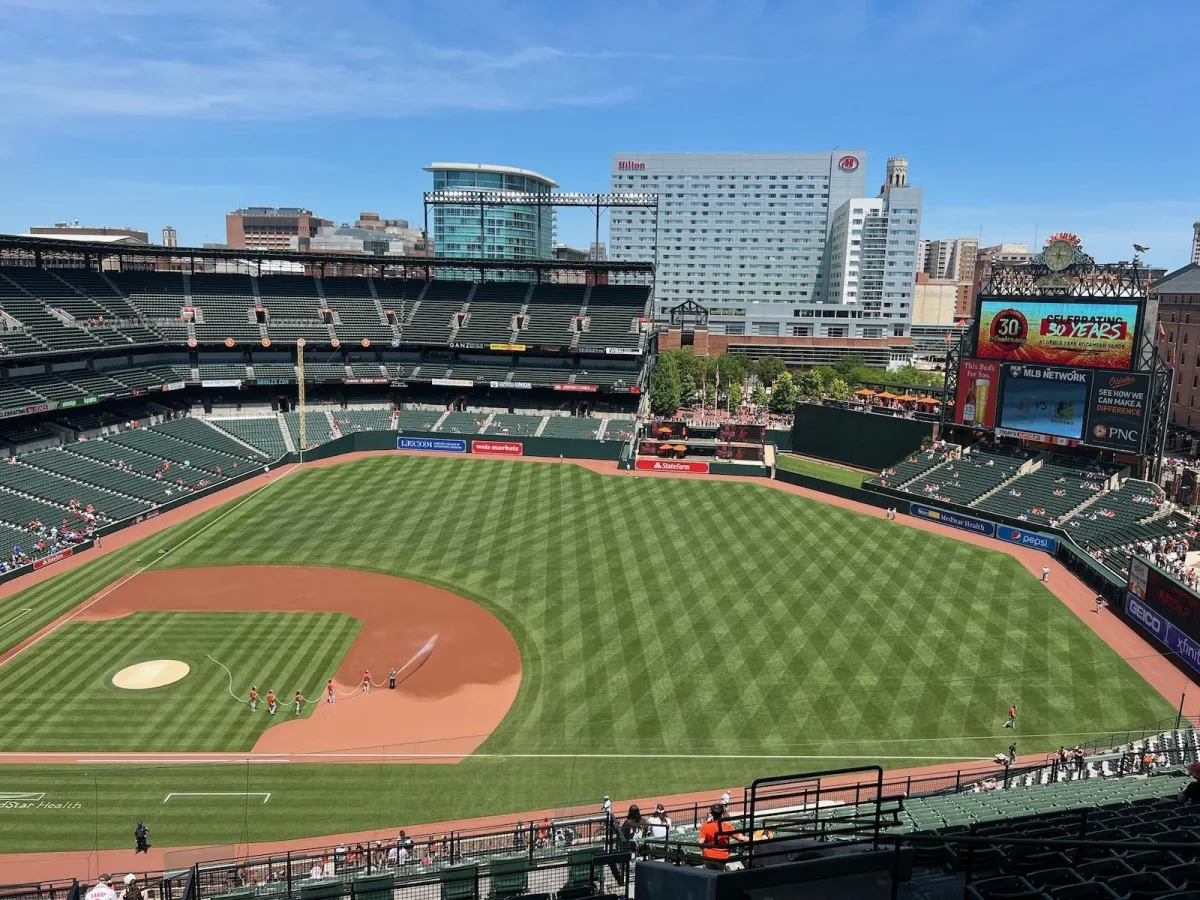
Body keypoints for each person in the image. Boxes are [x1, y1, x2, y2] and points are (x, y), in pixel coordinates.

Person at [698, 804, 746, 871]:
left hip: (709, 856)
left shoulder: (705, 825)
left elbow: (700, 843)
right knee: (719, 872)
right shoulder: (727, 826)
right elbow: (742, 839)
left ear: (712, 813)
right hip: (723, 856)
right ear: (722, 814)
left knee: (710, 873)